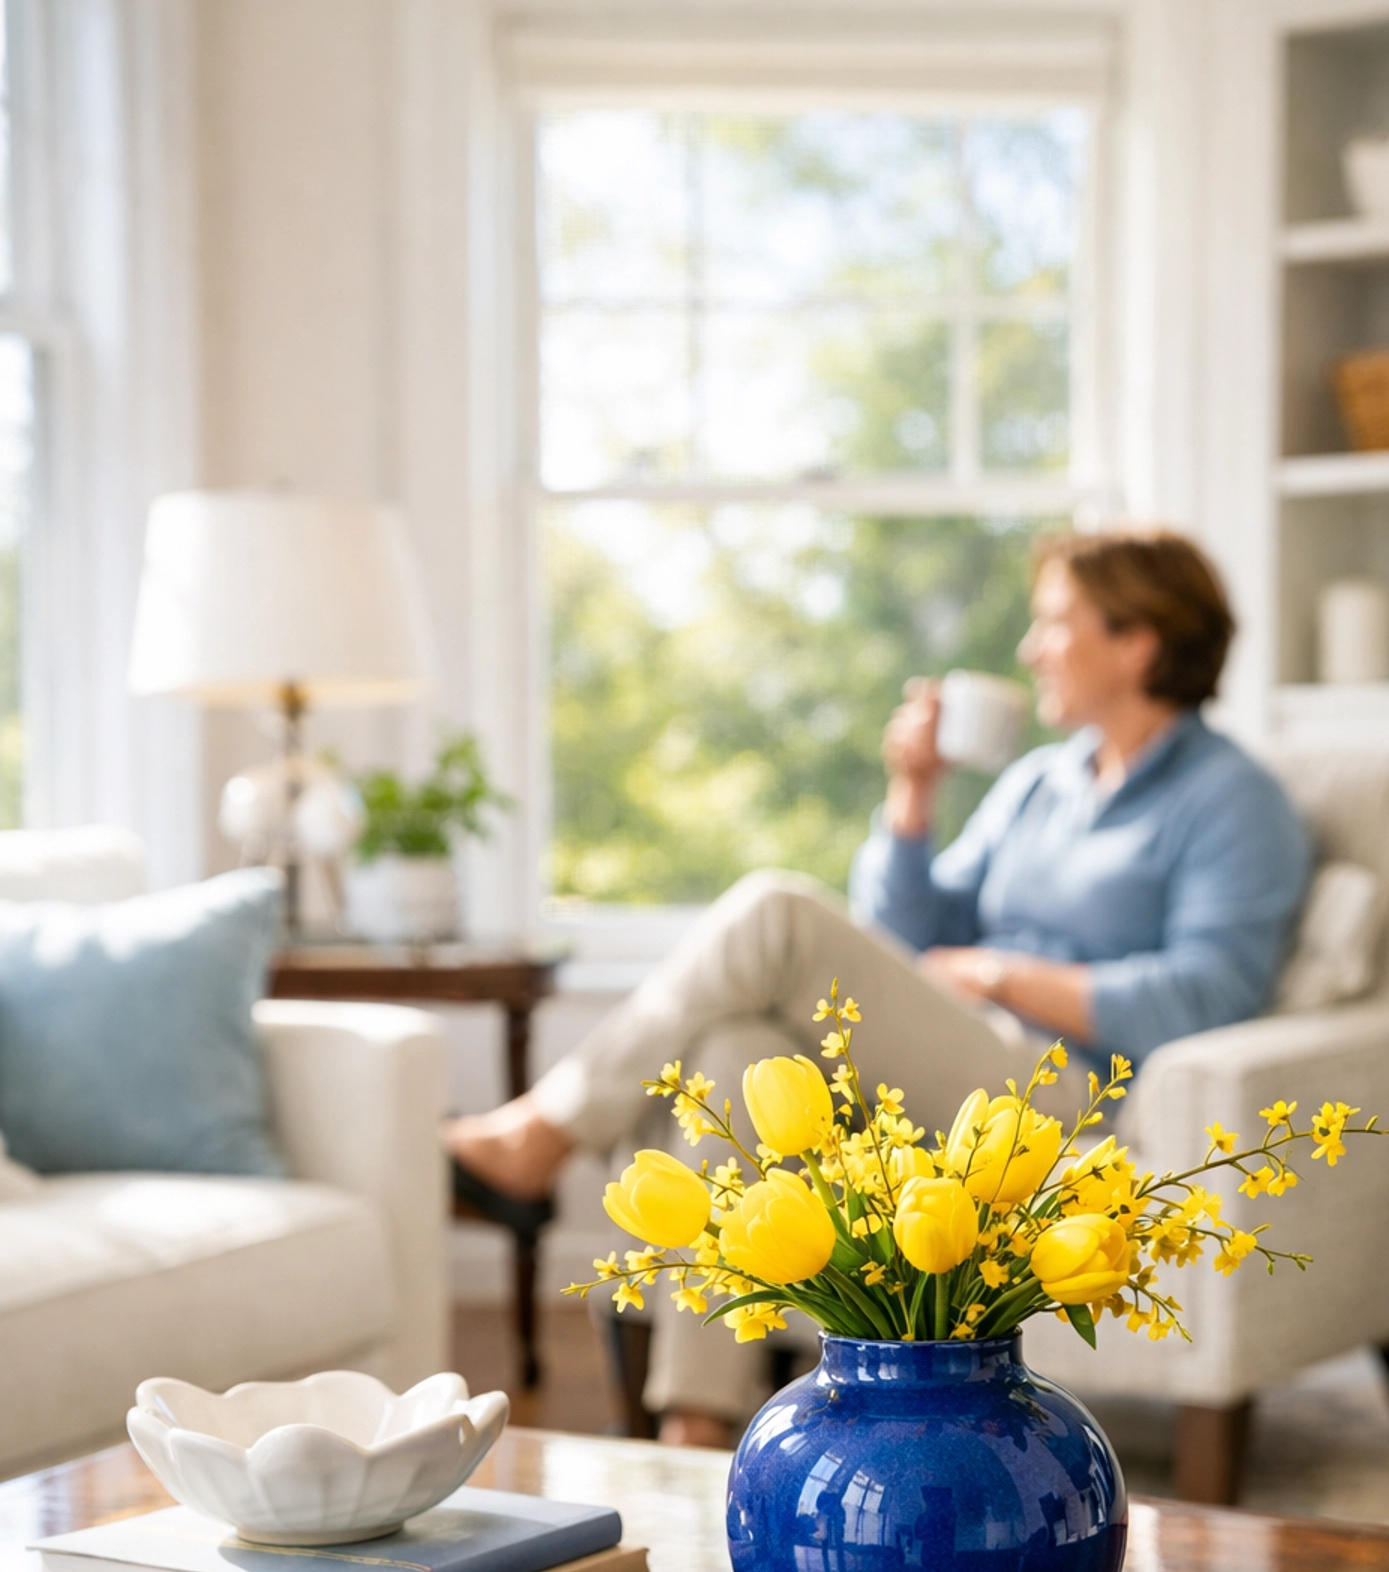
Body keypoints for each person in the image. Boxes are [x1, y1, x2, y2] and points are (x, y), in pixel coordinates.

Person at [448, 528, 1311, 1446]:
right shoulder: (1043, 785)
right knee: (739, 1054)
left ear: (1138, 641)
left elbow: (1208, 995)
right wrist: (913, 796)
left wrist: (997, 974)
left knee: (774, 913)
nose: (1030, 649)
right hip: (960, 1059)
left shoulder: (1231, 798)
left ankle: (539, 1135)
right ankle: (696, 1425)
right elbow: (909, 936)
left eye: (1055, 622)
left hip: (1063, 1092)